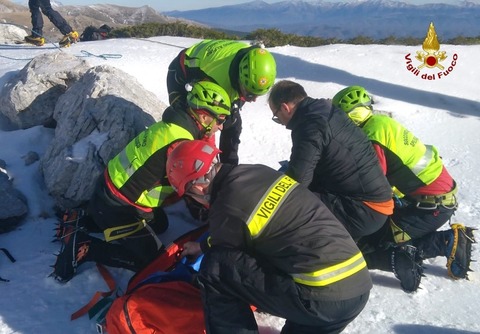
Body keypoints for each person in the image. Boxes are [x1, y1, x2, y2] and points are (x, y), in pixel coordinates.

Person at [166, 140, 373, 334]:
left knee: (215, 268)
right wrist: (202, 246)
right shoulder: (257, 171)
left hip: (321, 298)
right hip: (356, 287)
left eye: (190, 196)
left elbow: (226, 256)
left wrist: (205, 254)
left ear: (197, 186)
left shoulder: (227, 206)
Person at [51, 81, 231, 282]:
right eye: (220, 119)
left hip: (109, 191)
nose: (221, 126)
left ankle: (82, 219)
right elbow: (194, 187)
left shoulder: (176, 125)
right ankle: (86, 248)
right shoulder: (182, 145)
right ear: (204, 116)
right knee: (156, 263)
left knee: (161, 224)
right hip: (120, 208)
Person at [332, 85, 475, 282]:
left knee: (378, 244)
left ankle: (445, 242)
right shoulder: (381, 123)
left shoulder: (371, 138)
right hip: (432, 197)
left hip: (430, 206)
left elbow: (372, 185)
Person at [268, 80, 393, 241]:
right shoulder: (327, 110)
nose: (281, 123)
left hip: (363, 209)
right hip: (373, 201)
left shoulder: (310, 125)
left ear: (285, 108)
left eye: (277, 117)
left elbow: (298, 179)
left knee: (292, 208)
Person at [167, 39, 277, 165]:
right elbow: (209, 126)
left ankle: (229, 167)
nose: (253, 100)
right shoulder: (217, 79)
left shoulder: (255, 62)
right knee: (197, 125)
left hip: (213, 68)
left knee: (232, 122)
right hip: (180, 72)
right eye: (250, 94)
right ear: (240, 79)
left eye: (258, 95)